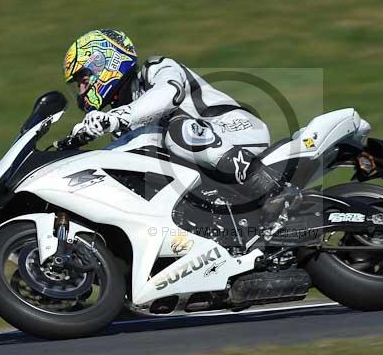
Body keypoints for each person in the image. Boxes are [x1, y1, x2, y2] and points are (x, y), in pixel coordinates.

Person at [62, 29, 298, 220]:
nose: (81, 91)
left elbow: (168, 95)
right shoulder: (123, 128)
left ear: (107, 63)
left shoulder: (156, 68)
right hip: (207, 167)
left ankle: (270, 189)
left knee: (177, 131)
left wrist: (117, 117)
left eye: (83, 80)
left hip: (235, 129)